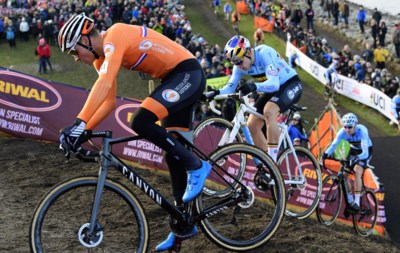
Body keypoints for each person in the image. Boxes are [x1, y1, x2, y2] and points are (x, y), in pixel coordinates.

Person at [57, 13, 211, 251]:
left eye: (74, 51)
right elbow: (108, 101)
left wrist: (78, 123)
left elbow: (105, 83)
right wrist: (86, 130)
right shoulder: (102, 59)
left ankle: (198, 166)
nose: (76, 58)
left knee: (140, 120)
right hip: (172, 79)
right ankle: (182, 227)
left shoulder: (115, 34)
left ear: (85, 39)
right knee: (174, 154)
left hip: (187, 73)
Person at [214, 35, 303, 162]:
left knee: (269, 111)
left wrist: (254, 86)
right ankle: (266, 163)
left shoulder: (264, 53)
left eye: (239, 61)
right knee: (252, 125)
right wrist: (213, 93)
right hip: (273, 89)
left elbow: (274, 83)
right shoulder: (239, 66)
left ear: (249, 52)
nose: (238, 66)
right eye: (235, 63)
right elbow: (229, 88)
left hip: (291, 84)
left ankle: (272, 162)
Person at [321, 113, 373, 211]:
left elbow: (365, 153)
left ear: (355, 125)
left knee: (358, 171)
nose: (347, 129)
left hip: (365, 151)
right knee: (344, 175)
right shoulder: (342, 132)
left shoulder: (362, 131)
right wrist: (326, 154)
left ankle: (357, 202)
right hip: (353, 150)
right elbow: (334, 145)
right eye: (345, 127)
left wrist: (357, 158)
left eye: (350, 127)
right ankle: (350, 199)